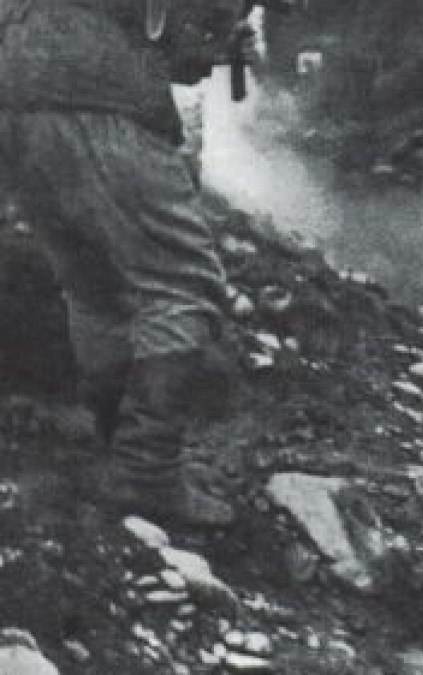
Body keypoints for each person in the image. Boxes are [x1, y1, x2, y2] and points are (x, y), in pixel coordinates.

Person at [0, 0, 251, 526]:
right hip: (98, 91)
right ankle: (147, 472)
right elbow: (195, 32)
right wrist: (210, 30)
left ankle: (117, 446)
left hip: (17, 90)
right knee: (185, 289)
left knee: (95, 284)